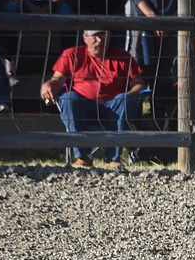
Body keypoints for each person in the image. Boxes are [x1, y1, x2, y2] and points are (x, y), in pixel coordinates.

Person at [40, 29, 144, 168]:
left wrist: (130, 94)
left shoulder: (123, 56)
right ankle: (83, 157)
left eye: (104, 35)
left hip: (112, 108)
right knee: (68, 98)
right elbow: (57, 80)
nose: (100, 40)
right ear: (85, 38)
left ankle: (113, 158)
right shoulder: (71, 54)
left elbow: (139, 83)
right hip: (82, 107)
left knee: (124, 100)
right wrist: (48, 86)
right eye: (95, 36)